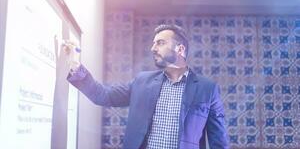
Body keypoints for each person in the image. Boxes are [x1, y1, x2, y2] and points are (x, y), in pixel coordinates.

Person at [64, 24, 229, 149]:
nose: (153, 48)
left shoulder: (208, 89)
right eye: (154, 43)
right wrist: (76, 66)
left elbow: (219, 140)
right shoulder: (142, 81)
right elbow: (103, 95)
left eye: (160, 43)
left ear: (180, 49)